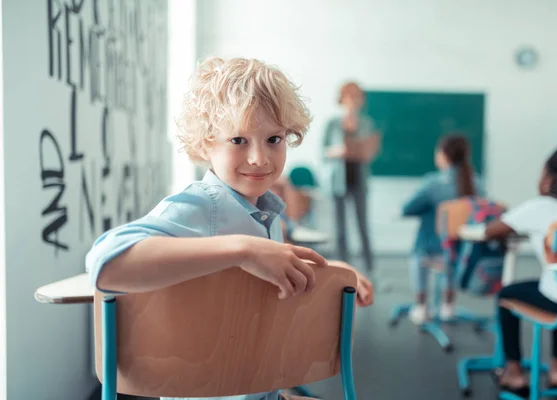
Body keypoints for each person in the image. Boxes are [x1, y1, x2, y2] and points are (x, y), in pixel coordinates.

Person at [85, 56, 373, 400]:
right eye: (238, 140)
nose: (259, 158)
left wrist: (328, 275)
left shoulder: (267, 211)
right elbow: (106, 263)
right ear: (207, 142)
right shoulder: (201, 206)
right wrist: (244, 250)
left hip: (262, 388)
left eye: (274, 139)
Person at [482, 132, 557, 397]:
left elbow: (491, 230)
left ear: (552, 179)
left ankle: (513, 373)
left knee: (507, 294)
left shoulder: (540, 207)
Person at [402, 134, 485, 324]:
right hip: (463, 252)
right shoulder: (477, 183)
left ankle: (421, 306)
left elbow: (407, 209)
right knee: (450, 246)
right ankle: (448, 305)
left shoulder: (433, 183)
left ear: (443, 155)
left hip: (432, 251)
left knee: (420, 249)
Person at [322, 82, 380, 273]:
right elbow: (323, 152)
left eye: (357, 98)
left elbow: (371, 150)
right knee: (339, 228)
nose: (354, 102)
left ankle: (370, 268)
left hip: (359, 179)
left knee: (363, 226)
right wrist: (339, 151)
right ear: (342, 99)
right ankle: (342, 267)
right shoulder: (332, 123)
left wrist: (364, 150)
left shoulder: (367, 123)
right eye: (350, 97)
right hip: (338, 181)